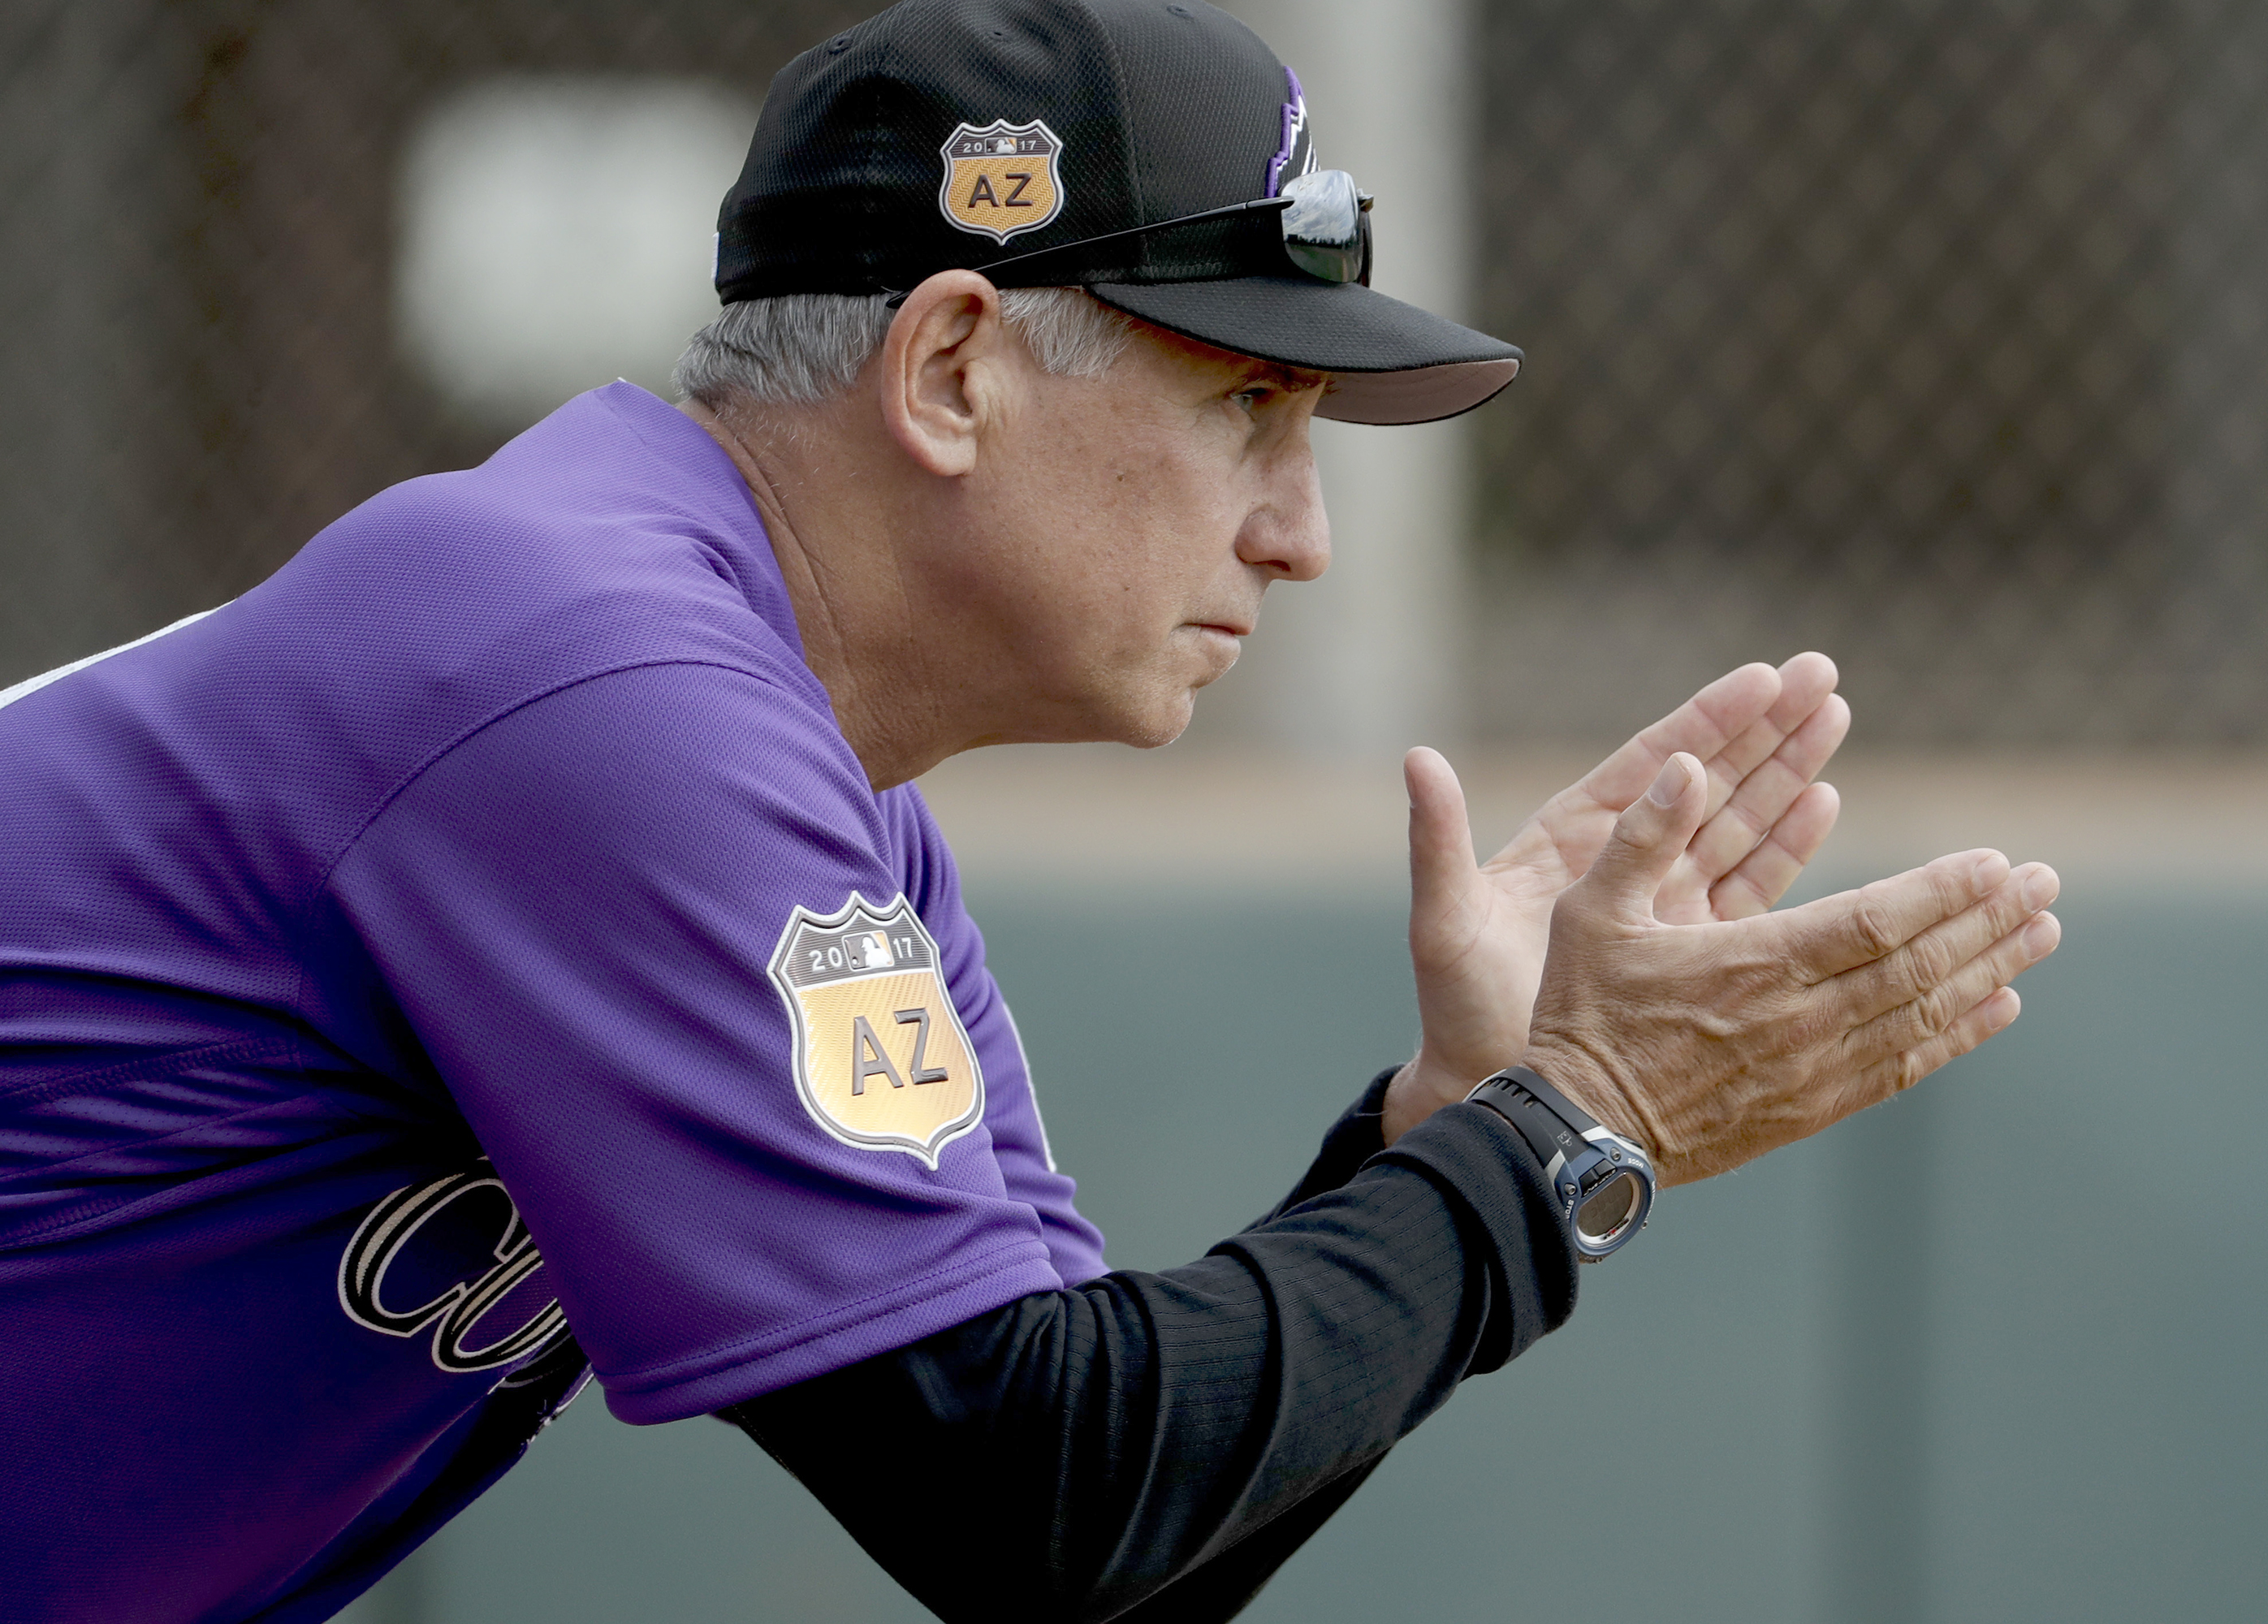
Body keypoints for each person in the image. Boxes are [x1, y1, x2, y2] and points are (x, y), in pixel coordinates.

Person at [0, 1, 2062, 1620]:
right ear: (957, 369)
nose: (1302, 534)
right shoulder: (592, 680)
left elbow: (1093, 1533)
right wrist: (1575, 1131)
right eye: (1244, 405)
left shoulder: (816, 788)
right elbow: (1035, 1498)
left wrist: (1458, 1131)